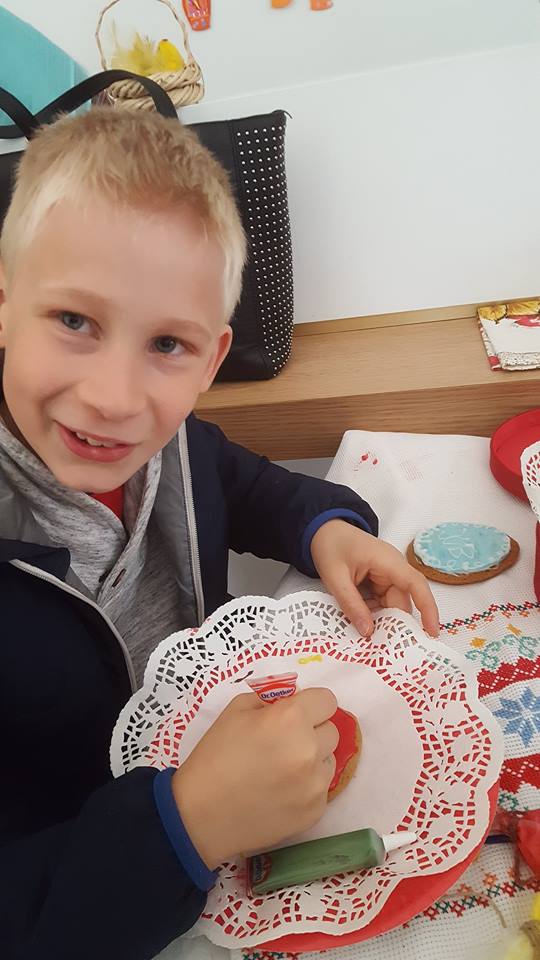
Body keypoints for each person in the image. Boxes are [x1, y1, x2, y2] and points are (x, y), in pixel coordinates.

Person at [0, 106, 439, 960]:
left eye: (167, 343)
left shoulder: (171, 444)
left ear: (211, 360)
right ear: (5, 306)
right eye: (75, 322)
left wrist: (324, 526)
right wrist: (184, 824)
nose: (116, 398)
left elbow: (241, 484)